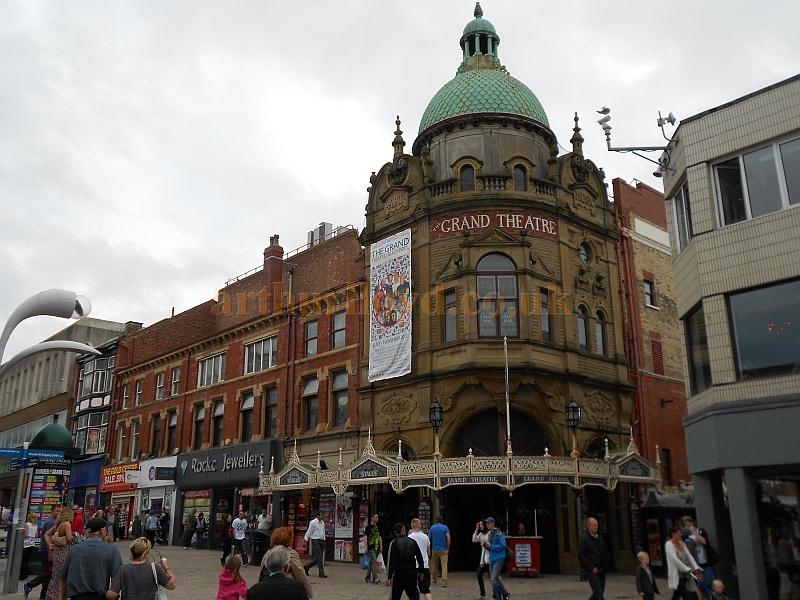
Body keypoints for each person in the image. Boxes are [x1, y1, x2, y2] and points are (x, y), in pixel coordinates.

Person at [60, 517, 123, 600]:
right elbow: (117, 577)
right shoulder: (111, 550)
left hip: (76, 597)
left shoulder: (74, 549)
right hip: (99, 596)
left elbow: (63, 578)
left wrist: (63, 598)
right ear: (102, 531)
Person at [107, 536, 176, 600]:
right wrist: (166, 567)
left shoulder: (123, 570)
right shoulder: (154, 568)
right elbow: (171, 585)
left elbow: (112, 595)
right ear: (146, 553)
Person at [24, 503, 62, 600]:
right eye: (57, 511)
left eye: (60, 511)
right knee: (48, 574)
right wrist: (50, 552)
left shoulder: (50, 521)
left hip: (45, 550)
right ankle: (34, 588)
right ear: (52, 511)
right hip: (46, 551)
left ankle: (35, 589)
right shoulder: (51, 522)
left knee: (48, 573)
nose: (59, 513)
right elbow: (47, 537)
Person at [264, 526, 313, 598]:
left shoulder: (268, 552)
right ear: (287, 539)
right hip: (287, 590)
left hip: (268, 590)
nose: (292, 539)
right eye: (291, 537)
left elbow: (262, 572)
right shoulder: (291, 554)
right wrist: (309, 592)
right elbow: (300, 574)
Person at [385, 522, 424, 600]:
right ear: (404, 531)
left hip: (399, 574)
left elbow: (392, 561)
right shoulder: (413, 542)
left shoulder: (394, 543)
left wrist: (389, 577)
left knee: (395, 596)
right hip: (412, 573)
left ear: (395, 532)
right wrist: (421, 571)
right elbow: (420, 557)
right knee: (414, 596)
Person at [683, 517, 718, 600]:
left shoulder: (701, 531)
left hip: (706, 564)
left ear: (693, 523)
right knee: (700, 587)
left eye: (689, 523)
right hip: (696, 567)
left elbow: (704, 542)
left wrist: (695, 533)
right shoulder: (686, 537)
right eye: (686, 525)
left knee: (710, 584)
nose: (688, 526)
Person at [665, 525, 703, 600]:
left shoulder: (682, 543)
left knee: (686, 595)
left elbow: (690, 556)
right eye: (679, 533)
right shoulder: (669, 544)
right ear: (673, 534)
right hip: (678, 576)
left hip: (687, 575)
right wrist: (687, 569)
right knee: (688, 596)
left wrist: (696, 567)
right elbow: (675, 560)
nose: (681, 535)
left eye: (681, 533)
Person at [45, 506, 75, 600]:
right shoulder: (67, 524)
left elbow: (47, 533)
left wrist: (49, 544)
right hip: (63, 552)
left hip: (57, 553)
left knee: (55, 576)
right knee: (63, 576)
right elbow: (69, 538)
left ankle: (51, 595)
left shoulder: (59, 524)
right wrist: (75, 535)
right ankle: (60, 596)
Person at [578, 517, 610, 600]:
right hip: (593, 570)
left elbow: (605, 552)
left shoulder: (600, 538)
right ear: (589, 526)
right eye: (594, 525)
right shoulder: (584, 539)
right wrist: (591, 567)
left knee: (598, 593)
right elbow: (581, 555)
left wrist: (606, 565)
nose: (596, 527)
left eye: (597, 525)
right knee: (599, 594)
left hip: (602, 569)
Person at [485, 517, 510, 600]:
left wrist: (491, 546)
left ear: (493, 523)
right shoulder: (490, 533)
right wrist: (487, 546)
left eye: (488, 523)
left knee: (494, 578)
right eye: (486, 523)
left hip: (499, 558)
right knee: (493, 581)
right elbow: (491, 546)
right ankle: (499, 598)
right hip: (492, 558)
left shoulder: (498, 533)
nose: (487, 525)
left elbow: (503, 545)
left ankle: (505, 594)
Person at [408, 518, 432, 600]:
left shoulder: (409, 537)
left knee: (413, 590)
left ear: (412, 526)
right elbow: (429, 552)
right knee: (426, 590)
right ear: (419, 525)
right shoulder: (425, 537)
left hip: (413, 567)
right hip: (424, 566)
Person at [303, 512, 327, 578]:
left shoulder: (322, 523)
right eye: (321, 515)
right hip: (315, 541)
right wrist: (306, 538)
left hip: (322, 541)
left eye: (323, 515)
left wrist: (324, 539)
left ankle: (307, 566)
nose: (322, 516)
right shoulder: (313, 522)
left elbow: (323, 531)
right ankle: (321, 573)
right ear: (317, 515)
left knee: (317, 558)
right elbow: (309, 531)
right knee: (319, 557)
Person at [429, 516, 451, 587]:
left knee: (434, 565)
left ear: (436, 521)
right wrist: (447, 548)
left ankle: (434, 580)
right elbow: (448, 539)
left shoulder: (432, 528)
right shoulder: (445, 528)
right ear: (442, 521)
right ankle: (444, 582)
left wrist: (429, 548)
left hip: (434, 549)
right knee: (444, 566)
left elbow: (428, 538)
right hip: (443, 549)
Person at [472, 519, 491, 599]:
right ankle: (482, 594)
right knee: (479, 575)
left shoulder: (490, 533)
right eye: (479, 525)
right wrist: (476, 529)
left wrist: (488, 545)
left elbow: (492, 543)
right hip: (483, 560)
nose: (480, 526)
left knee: (492, 578)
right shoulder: (481, 534)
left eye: (481, 524)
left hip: (490, 559)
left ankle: (495, 594)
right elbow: (474, 539)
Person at [364, 514, 383, 585]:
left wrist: (381, 547)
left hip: (376, 548)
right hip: (371, 548)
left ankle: (367, 577)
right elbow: (365, 537)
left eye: (377, 517)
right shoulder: (368, 527)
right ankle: (375, 578)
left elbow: (379, 537)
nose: (377, 518)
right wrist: (366, 547)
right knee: (374, 563)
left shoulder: (377, 527)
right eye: (375, 517)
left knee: (371, 563)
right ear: (372, 518)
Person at [21, 513, 39, 580]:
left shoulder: (27, 524)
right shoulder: (35, 525)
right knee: (27, 560)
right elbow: (37, 535)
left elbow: (26, 534)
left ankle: (26, 572)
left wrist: (23, 532)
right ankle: (25, 574)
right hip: (32, 544)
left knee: (23, 560)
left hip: (26, 544)